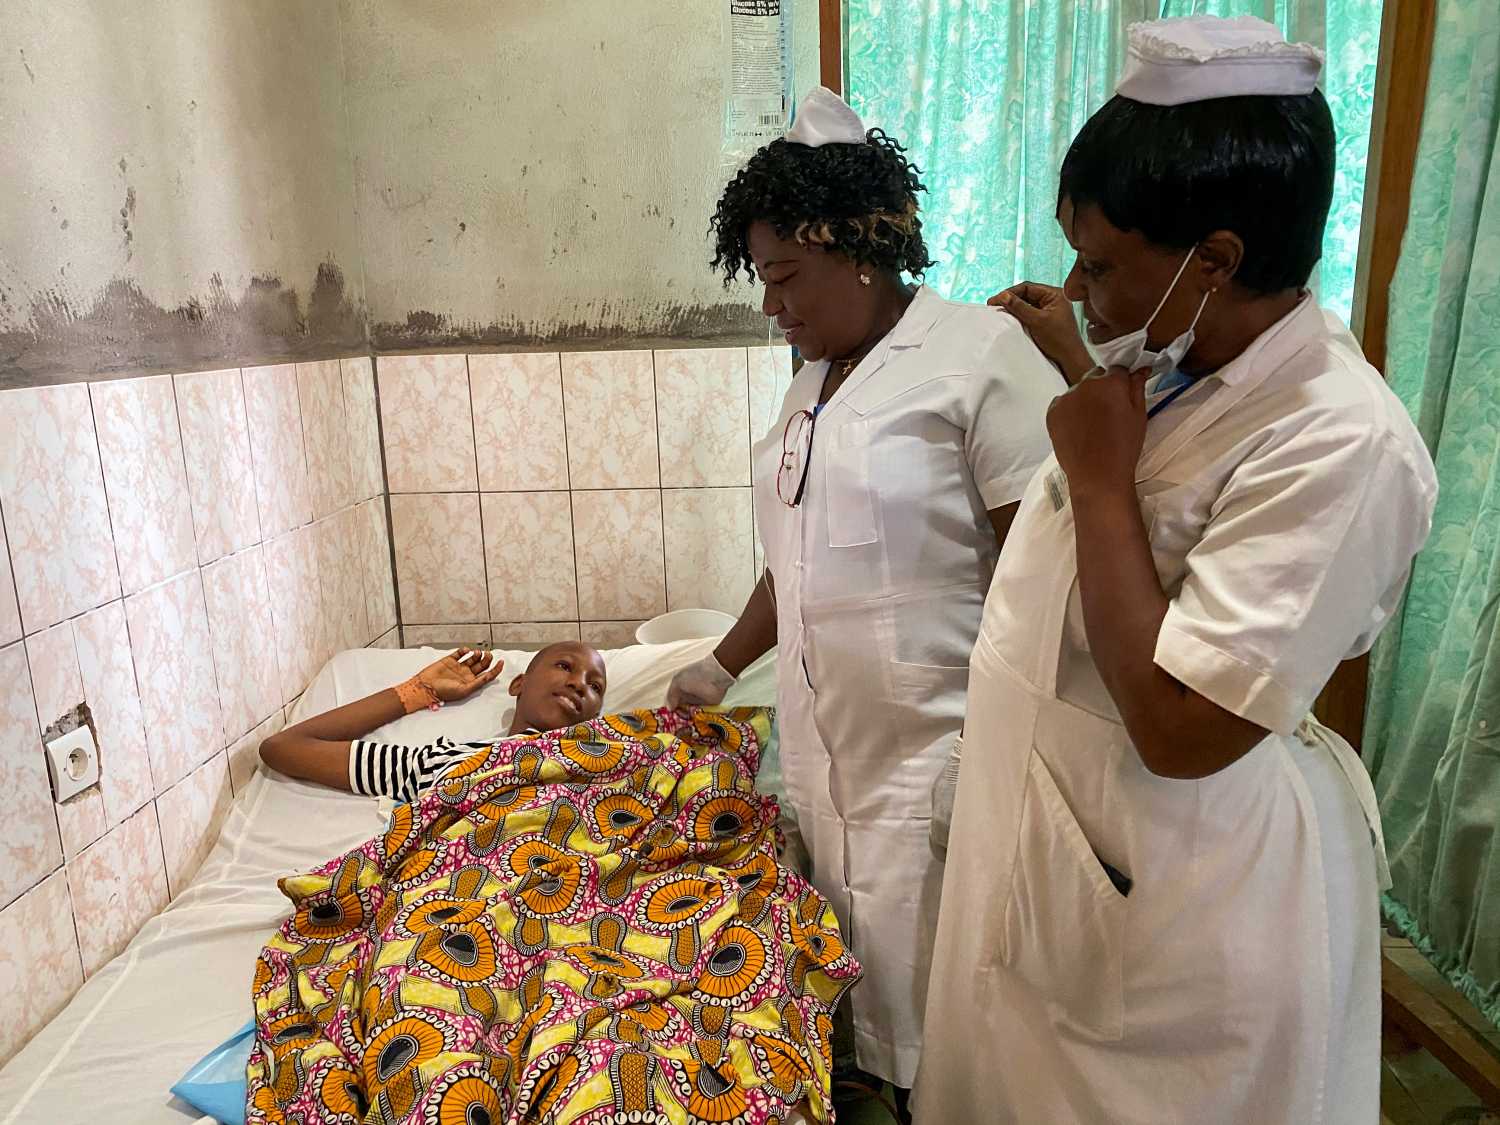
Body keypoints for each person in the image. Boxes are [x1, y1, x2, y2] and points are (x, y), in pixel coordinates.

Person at [917, 17, 1438, 1124]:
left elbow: (1184, 728)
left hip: (1178, 903)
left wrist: (1099, 480)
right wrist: (1079, 354)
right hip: (1060, 858)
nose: (1077, 283)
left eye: (1101, 264)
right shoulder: (1174, 351)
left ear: (1216, 261)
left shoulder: (1341, 442)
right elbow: (1155, 469)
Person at [667, 87, 1061, 1104]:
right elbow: (794, 560)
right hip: (828, 759)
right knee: (870, 1008)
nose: (771, 304)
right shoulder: (813, 383)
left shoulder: (982, 358)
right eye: (761, 278)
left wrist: (1011, 739)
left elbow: (1049, 567)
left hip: (945, 757)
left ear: (859, 247)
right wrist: (719, 664)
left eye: (786, 275)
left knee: (967, 1026)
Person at [260, 642, 607, 803]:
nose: (579, 683)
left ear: (596, 717)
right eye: (564, 666)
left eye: (595, 687)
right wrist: (417, 690)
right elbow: (284, 748)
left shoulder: (611, 760)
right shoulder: (445, 762)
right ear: (519, 685)